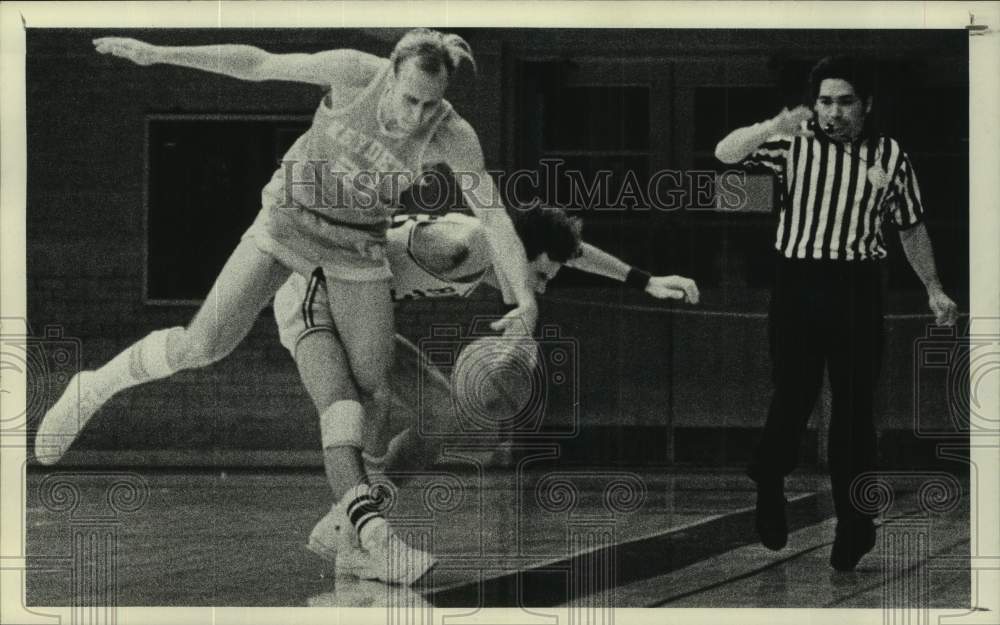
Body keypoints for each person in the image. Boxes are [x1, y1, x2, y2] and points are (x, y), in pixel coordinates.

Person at [34, 29, 539, 585]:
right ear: (391, 73)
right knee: (203, 345)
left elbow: (494, 217)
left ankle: (356, 533)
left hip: (356, 245)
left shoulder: (452, 135)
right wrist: (162, 54)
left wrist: (525, 299)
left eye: (429, 103)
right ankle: (94, 385)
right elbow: (259, 64)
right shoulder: (354, 73)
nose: (416, 114)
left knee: (376, 388)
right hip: (288, 219)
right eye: (409, 99)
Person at [272, 205, 699, 578]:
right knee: (367, 404)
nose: (542, 287)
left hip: (365, 316)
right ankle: (368, 537)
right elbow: (353, 250)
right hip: (317, 294)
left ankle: (347, 525)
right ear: (515, 251)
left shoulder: (502, 245)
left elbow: (576, 253)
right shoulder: (458, 245)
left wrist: (644, 280)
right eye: (540, 276)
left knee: (442, 414)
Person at [715, 55, 958, 571]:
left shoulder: (889, 155)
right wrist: (774, 125)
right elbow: (725, 153)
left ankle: (855, 521)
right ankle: (769, 477)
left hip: (857, 287)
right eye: (825, 101)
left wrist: (934, 288)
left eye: (845, 102)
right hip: (797, 283)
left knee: (855, 410)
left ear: (866, 105)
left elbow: (910, 227)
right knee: (794, 394)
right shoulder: (793, 143)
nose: (833, 112)